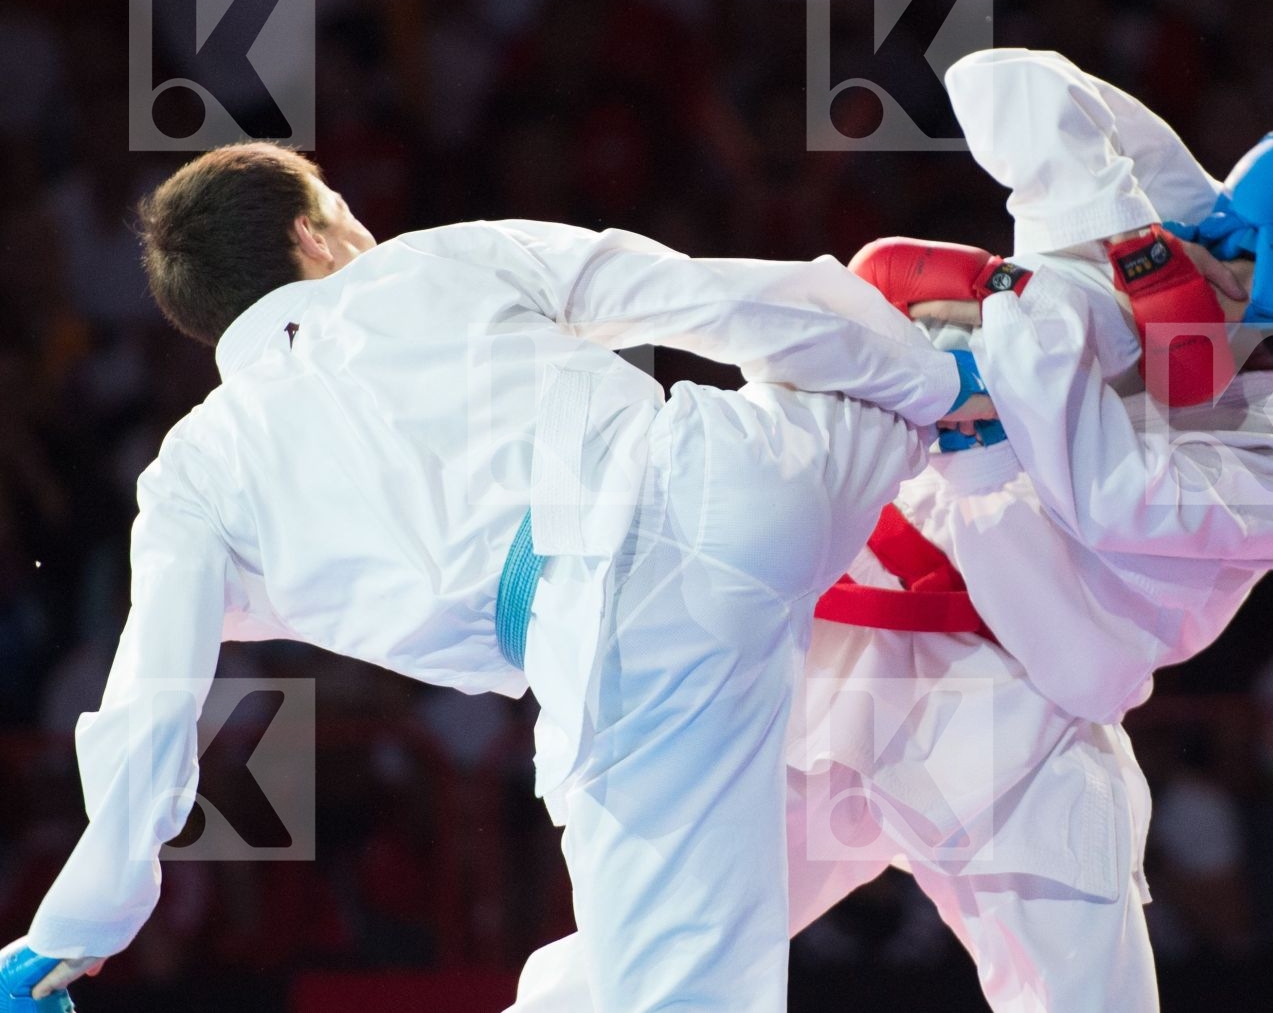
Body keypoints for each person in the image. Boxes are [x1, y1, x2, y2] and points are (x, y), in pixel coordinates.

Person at [511, 48, 1273, 1011]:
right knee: (660, 947)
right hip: (849, 644)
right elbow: (996, 81)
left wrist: (1052, 297)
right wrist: (1150, 228)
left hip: (1017, 717)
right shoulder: (1182, 216)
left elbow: (1109, 494)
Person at [0, 142, 998, 1012]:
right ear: (314, 231)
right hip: (730, 479)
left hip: (615, 642)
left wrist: (81, 917)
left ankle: (967, 383)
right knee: (890, 368)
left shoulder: (195, 474)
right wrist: (924, 383)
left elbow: (154, 703)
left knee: (675, 992)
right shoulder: (444, 255)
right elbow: (702, 295)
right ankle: (1006, 358)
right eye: (350, 220)